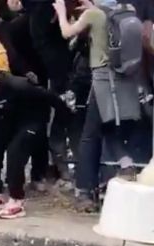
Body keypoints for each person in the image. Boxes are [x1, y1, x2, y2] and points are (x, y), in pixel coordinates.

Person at [53, 0, 142, 211]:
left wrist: (61, 11)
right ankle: (126, 164)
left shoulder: (94, 16)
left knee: (89, 135)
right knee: (108, 126)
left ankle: (85, 193)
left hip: (103, 79)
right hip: (125, 77)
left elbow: (67, 32)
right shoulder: (126, 12)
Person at [0, 67, 69, 219]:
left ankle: (16, 200)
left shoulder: (17, 85)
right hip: (7, 121)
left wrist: (66, 114)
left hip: (31, 121)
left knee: (15, 152)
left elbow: (48, 96)